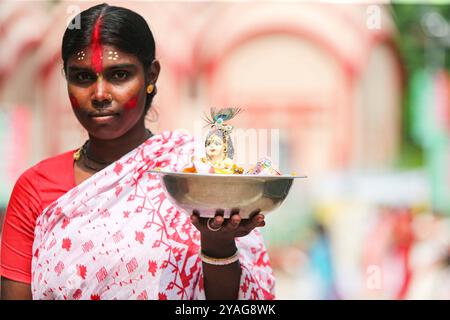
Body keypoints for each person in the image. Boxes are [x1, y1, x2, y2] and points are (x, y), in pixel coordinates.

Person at [0, 3, 274, 300]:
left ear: (151, 75)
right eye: (82, 77)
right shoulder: (35, 188)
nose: (100, 94)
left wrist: (218, 244)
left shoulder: (196, 178)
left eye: (119, 75)